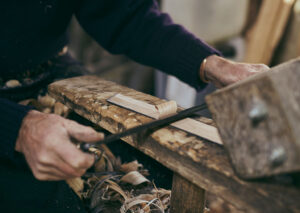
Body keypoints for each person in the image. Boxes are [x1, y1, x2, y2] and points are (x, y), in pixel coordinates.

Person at [0, 0, 269, 212]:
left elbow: (125, 14)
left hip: (49, 70)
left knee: (161, 178)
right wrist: (18, 128)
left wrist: (210, 64)